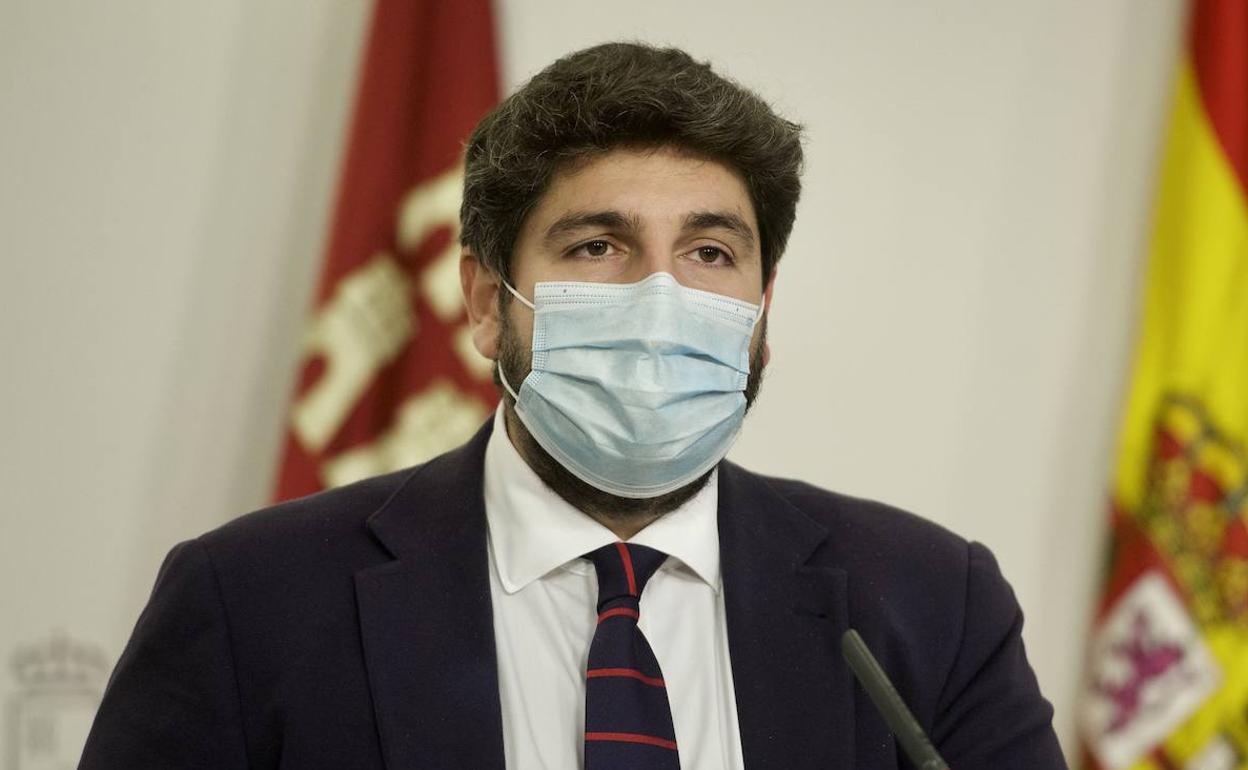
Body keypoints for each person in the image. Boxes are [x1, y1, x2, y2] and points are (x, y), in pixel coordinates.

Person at [79, 43, 1066, 769]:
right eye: (598, 246)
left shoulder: (932, 605)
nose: (661, 297)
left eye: (710, 252)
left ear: (762, 309)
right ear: (484, 301)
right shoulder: (252, 600)